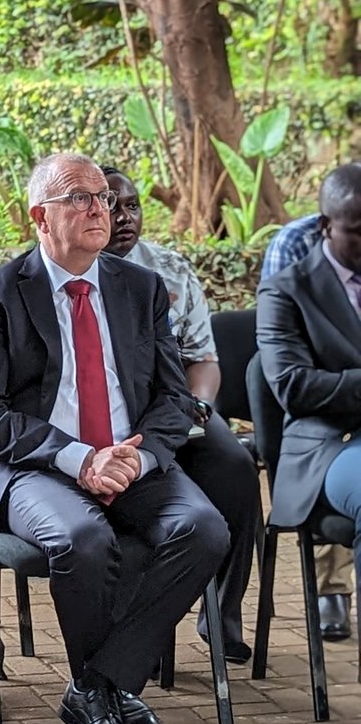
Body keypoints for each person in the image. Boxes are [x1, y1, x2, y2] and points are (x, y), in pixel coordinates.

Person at [0, 152, 229, 724]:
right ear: (39, 217)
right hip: (33, 467)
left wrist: (141, 457)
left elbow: (174, 396)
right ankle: (106, 693)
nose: (99, 207)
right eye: (78, 197)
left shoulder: (140, 287)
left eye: (102, 195)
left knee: (205, 529)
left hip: (128, 458)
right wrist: (79, 459)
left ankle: (98, 687)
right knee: (82, 536)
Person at [102, 166, 260, 664]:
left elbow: (203, 359)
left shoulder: (169, 268)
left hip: (178, 407)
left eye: (131, 205)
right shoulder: (74, 274)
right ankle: (131, 624)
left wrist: (200, 406)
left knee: (235, 467)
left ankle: (223, 610)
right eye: (111, 206)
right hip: (112, 422)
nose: (124, 217)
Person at [256, 162, 361, 634]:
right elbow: (295, 387)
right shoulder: (286, 290)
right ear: (326, 226)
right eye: (358, 231)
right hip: (328, 445)